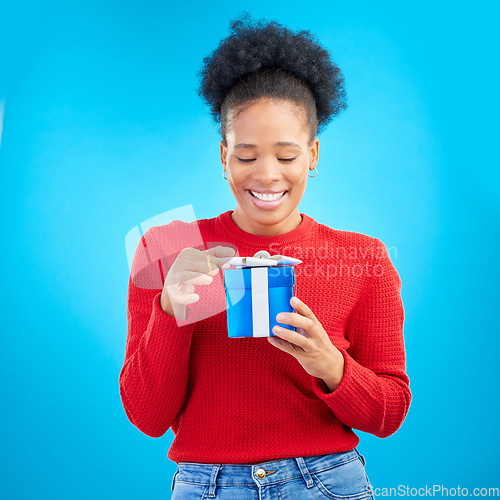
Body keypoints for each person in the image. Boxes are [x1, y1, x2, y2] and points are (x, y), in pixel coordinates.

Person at [119, 11, 411, 500]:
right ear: (223, 156)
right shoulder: (167, 248)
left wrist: (330, 364)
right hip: (205, 485)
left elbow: (389, 414)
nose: (267, 175)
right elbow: (148, 418)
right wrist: (170, 309)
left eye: (287, 155)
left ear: (313, 156)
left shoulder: (363, 258)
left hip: (327, 482)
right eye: (247, 155)